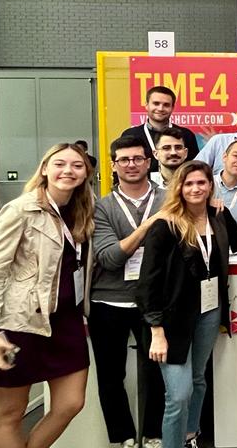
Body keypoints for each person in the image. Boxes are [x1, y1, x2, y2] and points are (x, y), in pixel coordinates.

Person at [0, 143, 95, 448]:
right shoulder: (20, 210)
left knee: (70, 403)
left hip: (66, 323)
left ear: (86, 173)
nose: (68, 170)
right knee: (11, 414)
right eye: (60, 164)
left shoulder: (83, 212)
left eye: (77, 165)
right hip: (18, 322)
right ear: (44, 169)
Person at [137, 160, 237, 448]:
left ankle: (190, 436)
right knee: (178, 393)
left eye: (201, 183)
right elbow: (147, 284)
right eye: (189, 183)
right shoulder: (164, 225)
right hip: (170, 320)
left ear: (210, 186)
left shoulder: (218, 215)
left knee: (198, 378)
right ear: (179, 188)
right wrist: (156, 330)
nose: (196, 188)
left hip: (209, 310)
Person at [90, 136, 167, 448]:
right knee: (110, 375)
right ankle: (121, 437)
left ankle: (153, 434)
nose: (131, 164)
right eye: (124, 159)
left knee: (158, 373)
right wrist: (149, 227)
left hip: (156, 300)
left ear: (149, 162)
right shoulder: (101, 207)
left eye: (138, 158)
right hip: (108, 300)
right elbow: (109, 257)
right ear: (114, 165)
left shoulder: (169, 198)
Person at [120, 86, 200, 173]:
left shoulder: (186, 135)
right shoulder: (130, 135)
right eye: (156, 103)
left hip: (178, 185)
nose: (160, 108)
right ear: (146, 105)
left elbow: (194, 168)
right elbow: (121, 166)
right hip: (141, 186)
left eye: (166, 105)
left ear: (172, 108)